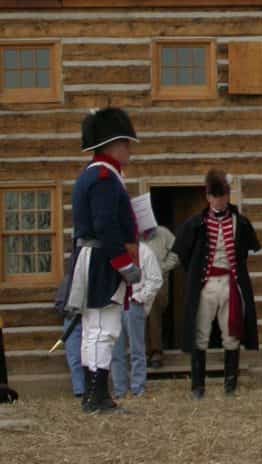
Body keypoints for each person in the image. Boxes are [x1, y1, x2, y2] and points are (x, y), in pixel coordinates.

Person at [68, 107, 141, 414]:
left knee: (94, 327)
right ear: (113, 144)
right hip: (101, 257)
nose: (129, 149)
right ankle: (98, 396)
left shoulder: (98, 175)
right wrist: (124, 264)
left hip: (94, 255)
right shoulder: (102, 177)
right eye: (126, 143)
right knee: (103, 327)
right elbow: (105, 225)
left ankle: (93, 394)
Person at [173, 169, 261, 399]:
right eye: (215, 196)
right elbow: (183, 254)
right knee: (200, 333)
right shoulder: (195, 224)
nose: (219, 200)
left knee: (231, 333)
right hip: (206, 285)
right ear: (208, 197)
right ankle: (198, 386)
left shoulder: (240, 222)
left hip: (230, 283)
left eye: (223, 196)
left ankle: (230, 386)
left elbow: (247, 251)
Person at [110, 234, 163, 398]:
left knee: (137, 349)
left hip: (133, 303)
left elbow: (155, 280)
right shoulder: (113, 250)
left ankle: (138, 388)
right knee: (115, 351)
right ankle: (120, 389)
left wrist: (139, 297)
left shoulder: (145, 252)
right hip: (115, 304)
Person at [143, 223, 178, 370]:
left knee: (154, 311)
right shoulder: (132, 234)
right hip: (139, 281)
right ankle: (143, 353)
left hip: (159, 280)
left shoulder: (163, 233)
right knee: (139, 314)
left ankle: (156, 352)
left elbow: (176, 252)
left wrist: (163, 266)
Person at [54, 269, 85, 398]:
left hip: (91, 318)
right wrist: (69, 313)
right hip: (72, 320)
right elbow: (59, 302)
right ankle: (80, 390)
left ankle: (94, 389)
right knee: (75, 357)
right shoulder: (69, 279)